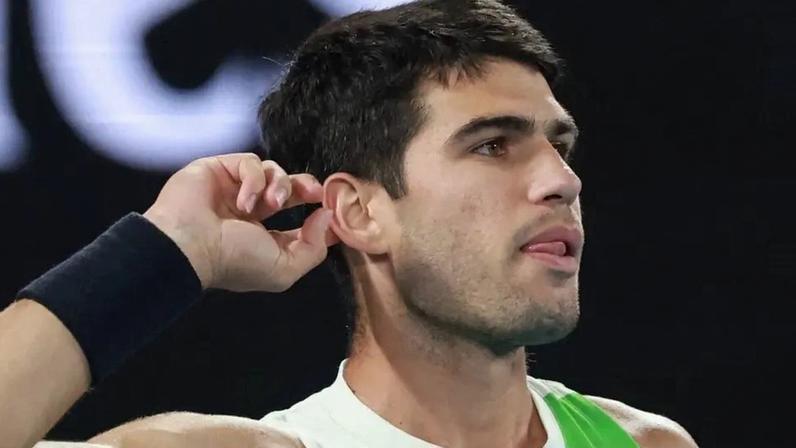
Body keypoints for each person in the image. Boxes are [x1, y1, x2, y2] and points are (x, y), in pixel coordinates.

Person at [0, 1, 699, 447]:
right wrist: (163, 252)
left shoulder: (640, 443)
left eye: (559, 145)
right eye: (493, 145)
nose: (561, 180)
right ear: (359, 213)